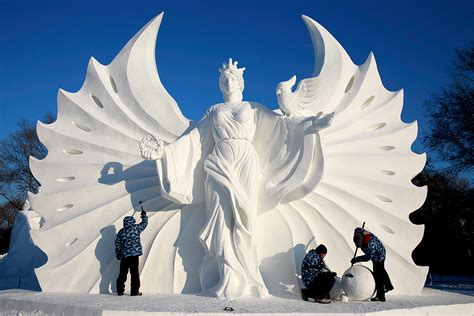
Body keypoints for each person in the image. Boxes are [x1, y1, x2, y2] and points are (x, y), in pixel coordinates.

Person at [139, 58, 334, 298]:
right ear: (221, 85)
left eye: (232, 78)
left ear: (241, 82)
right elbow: (193, 140)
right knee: (220, 221)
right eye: (224, 79)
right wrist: (164, 153)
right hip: (218, 162)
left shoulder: (252, 108)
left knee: (245, 221)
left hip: (245, 164)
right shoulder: (214, 111)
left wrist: (313, 123)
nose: (228, 82)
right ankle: (226, 278)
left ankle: (249, 279)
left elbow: (282, 125)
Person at [351, 227, 394, 302]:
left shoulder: (370, 245)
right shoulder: (358, 232)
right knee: (381, 269)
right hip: (378, 250)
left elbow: (367, 257)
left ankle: (381, 296)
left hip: (379, 255)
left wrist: (357, 259)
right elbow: (357, 228)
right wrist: (358, 244)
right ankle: (388, 285)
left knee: (378, 275)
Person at [115, 207, 148, 296]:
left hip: (124, 255)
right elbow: (144, 224)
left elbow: (117, 244)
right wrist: (143, 215)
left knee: (123, 273)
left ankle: (120, 290)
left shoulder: (121, 232)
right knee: (134, 273)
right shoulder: (136, 228)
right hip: (134, 255)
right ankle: (134, 291)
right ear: (133, 222)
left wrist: (118, 254)